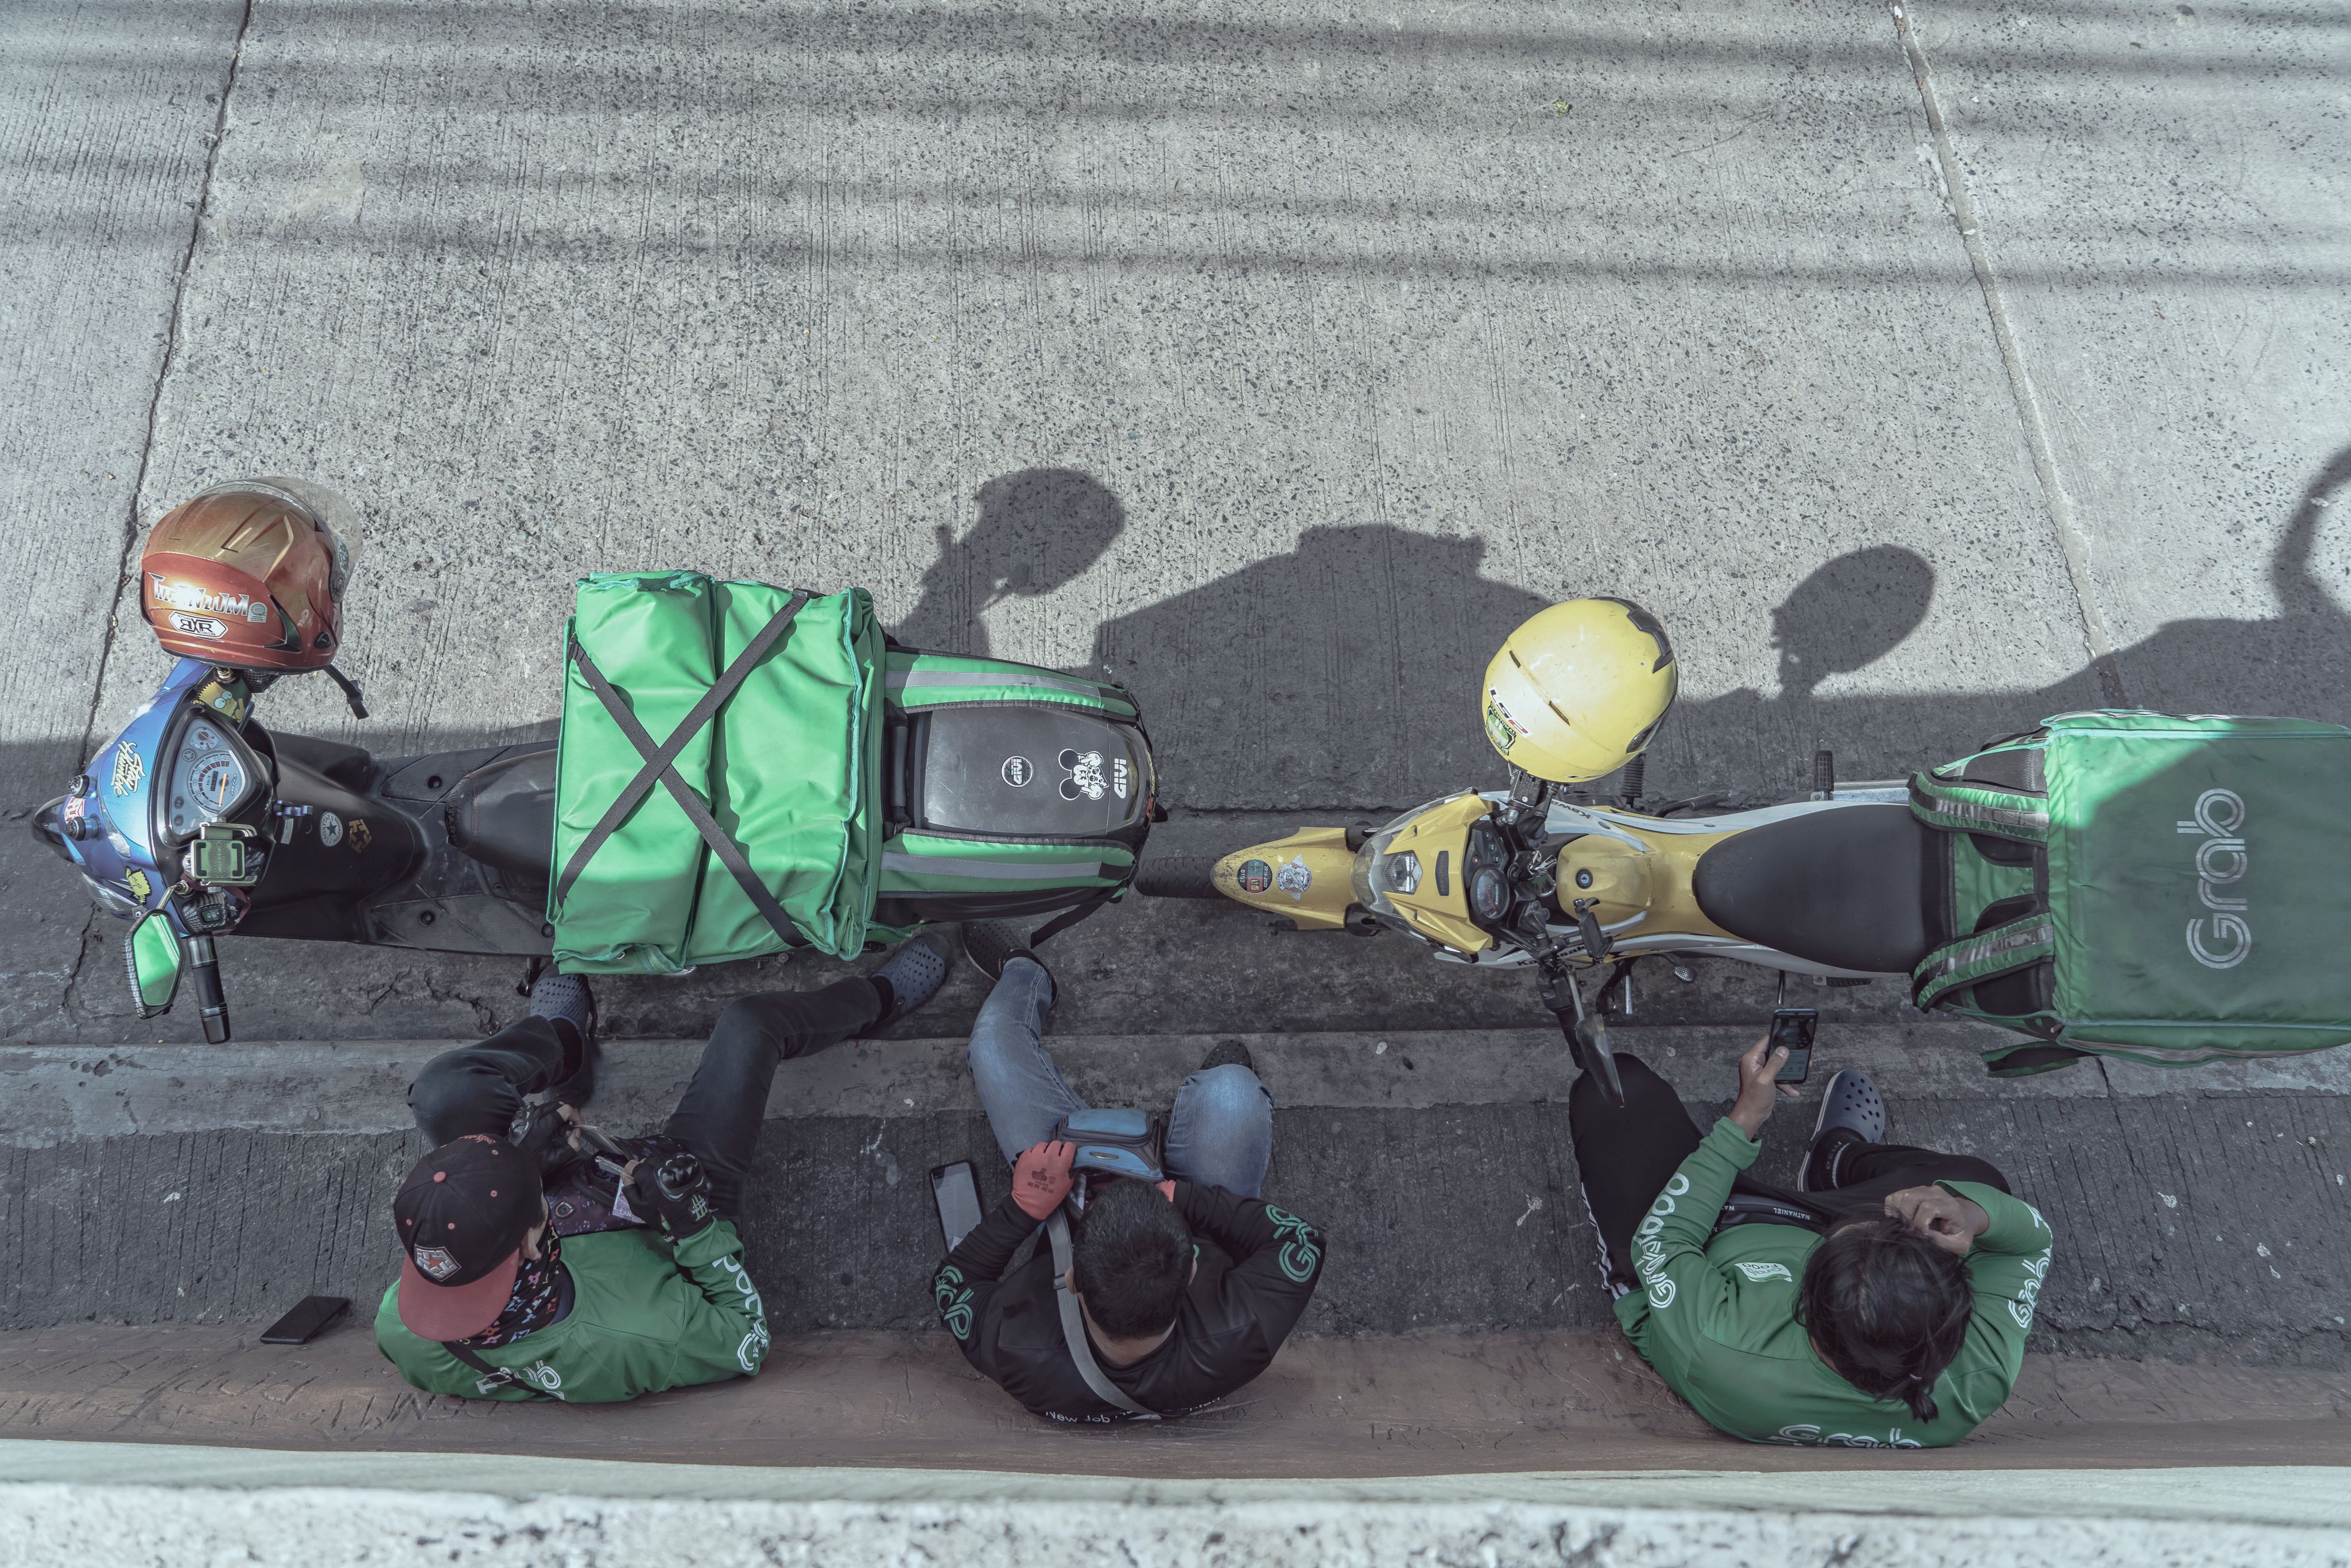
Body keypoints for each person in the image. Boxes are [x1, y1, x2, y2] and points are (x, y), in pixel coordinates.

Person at [373, 932, 957, 1403]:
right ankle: (874, 999)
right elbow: (747, 1341)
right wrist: (692, 1221)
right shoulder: (635, 1333)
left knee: (445, 1092)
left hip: (564, 1200)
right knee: (750, 1024)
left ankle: (565, 1043)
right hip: (668, 1207)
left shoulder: (401, 1326)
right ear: (530, 1239)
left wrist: (528, 1161)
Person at [930, 922, 1326, 1422]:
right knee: (1231, 1094)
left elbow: (952, 1284)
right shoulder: (1243, 1331)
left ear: (1070, 1278)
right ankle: (1218, 1087)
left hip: (1058, 1190)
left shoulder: (1015, 1349)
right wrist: (1185, 1199)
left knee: (992, 1043)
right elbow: (1301, 1243)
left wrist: (1024, 1208)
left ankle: (1026, 974)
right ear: (1193, 1273)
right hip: (1191, 1201)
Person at [1570, 1041, 2053, 1449]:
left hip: (1708, 1241)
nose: (1883, 1218)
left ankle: (1831, 1167)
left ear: (1802, 1300)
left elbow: (1665, 1239)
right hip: (1800, 1233)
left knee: (1615, 1088)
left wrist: (1743, 1122)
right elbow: (2029, 1243)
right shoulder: (1977, 1381)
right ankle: (1837, 1156)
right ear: (1953, 1316)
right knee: (1975, 1186)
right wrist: (1971, 1213)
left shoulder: (1717, 1343)